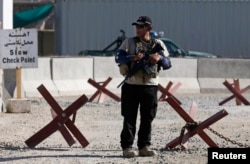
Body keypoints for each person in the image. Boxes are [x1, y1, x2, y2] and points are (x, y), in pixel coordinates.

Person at [115, 16, 171, 157]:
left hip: (150, 86)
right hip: (131, 85)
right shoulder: (129, 42)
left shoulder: (158, 44)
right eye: (137, 26)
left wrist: (159, 58)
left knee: (147, 118)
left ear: (149, 28)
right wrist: (132, 58)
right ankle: (127, 147)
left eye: (141, 26)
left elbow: (168, 63)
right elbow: (118, 57)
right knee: (129, 117)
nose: (137, 29)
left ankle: (144, 146)